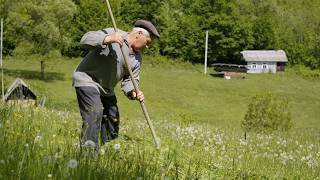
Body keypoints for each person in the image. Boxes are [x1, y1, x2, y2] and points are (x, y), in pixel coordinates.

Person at [72, 20, 160, 149]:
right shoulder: (114, 33)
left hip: (106, 89)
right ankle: (88, 154)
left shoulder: (137, 58)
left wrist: (133, 92)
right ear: (139, 34)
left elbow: (130, 79)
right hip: (88, 80)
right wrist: (106, 39)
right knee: (94, 113)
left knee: (112, 119)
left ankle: (108, 150)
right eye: (148, 42)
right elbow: (85, 39)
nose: (147, 47)